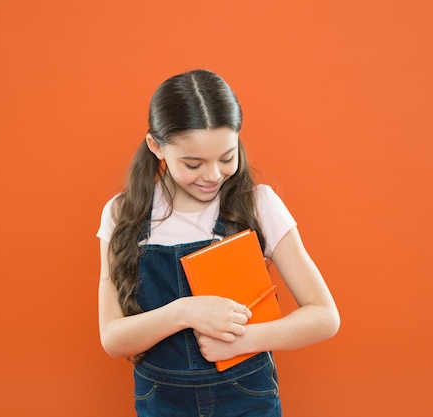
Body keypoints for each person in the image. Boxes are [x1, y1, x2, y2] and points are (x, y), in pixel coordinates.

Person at [97, 69, 340, 416]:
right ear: (156, 146)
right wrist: (185, 312)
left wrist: (246, 341)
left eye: (227, 157)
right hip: (163, 404)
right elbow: (112, 337)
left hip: (247, 399)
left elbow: (324, 317)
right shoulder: (123, 213)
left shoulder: (257, 204)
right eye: (193, 163)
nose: (212, 175)